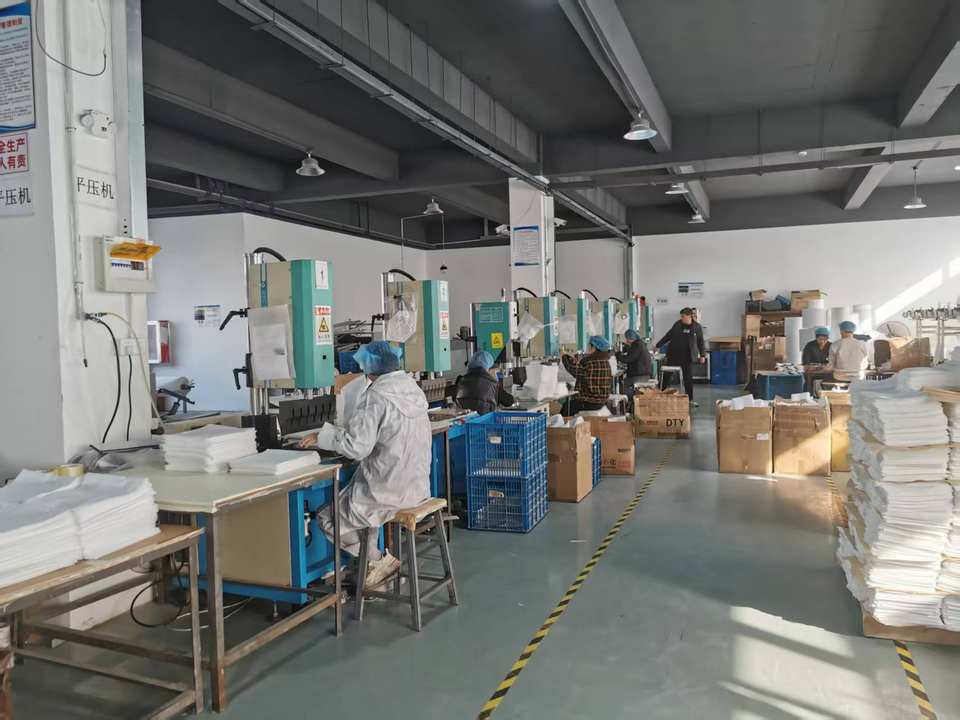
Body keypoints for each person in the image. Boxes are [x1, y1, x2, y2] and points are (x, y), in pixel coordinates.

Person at [299, 341, 431, 589]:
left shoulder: (376, 396)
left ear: (368, 368)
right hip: (416, 486)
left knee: (328, 518)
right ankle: (370, 570)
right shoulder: (412, 389)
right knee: (363, 513)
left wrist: (323, 436)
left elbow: (356, 447)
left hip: (387, 490)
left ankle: (376, 562)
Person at [655, 307, 705, 406]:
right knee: (666, 376)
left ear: (690, 316)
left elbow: (700, 342)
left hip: (688, 357)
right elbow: (668, 336)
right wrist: (658, 345)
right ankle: (659, 394)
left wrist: (702, 355)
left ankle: (690, 399)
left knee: (688, 379)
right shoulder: (677, 325)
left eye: (683, 316)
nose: (681, 318)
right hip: (674, 355)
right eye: (681, 316)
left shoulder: (697, 327)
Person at [562, 335, 614, 413]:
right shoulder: (605, 362)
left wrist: (564, 356)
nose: (587, 348)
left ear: (594, 348)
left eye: (589, 345)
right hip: (601, 402)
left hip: (589, 402)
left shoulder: (591, 363)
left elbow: (575, 370)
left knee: (566, 409)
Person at [453, 350, 515, 415]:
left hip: (464, 420)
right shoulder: (491, 383)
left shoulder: (460, 380)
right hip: (484, 420)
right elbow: (509, 401)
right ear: (487, 366)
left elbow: (454, 399)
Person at [617, 329, 652, 398]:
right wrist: (627, 348)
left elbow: (629, 359)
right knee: (624, 382)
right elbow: (633, 355)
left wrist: (618, 355)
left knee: (621, 387)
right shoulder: (640, 344)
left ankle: (635, 397)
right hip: (644, 374)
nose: (626, 340)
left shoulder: (637, 345)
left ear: (629, 338)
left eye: (626, 338)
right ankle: (634, 398)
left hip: (639, 376)